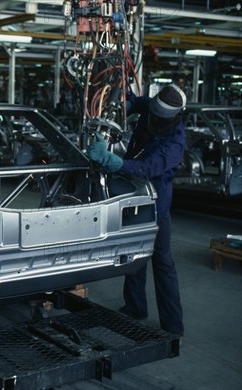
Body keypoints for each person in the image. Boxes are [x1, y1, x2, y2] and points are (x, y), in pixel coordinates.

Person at [87, 84, 187, 337]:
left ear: (172, 117)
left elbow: (146, 169)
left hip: (155, 203)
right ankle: (134, 309)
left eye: (156, 117)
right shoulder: (152, 107)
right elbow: (132, 101)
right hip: (132, 196)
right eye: (150, 112)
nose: (151, 119)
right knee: (134, 256)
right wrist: (122, 96)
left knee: (162, 263)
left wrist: (112, 161)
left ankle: (173, 327)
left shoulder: (175, 142)